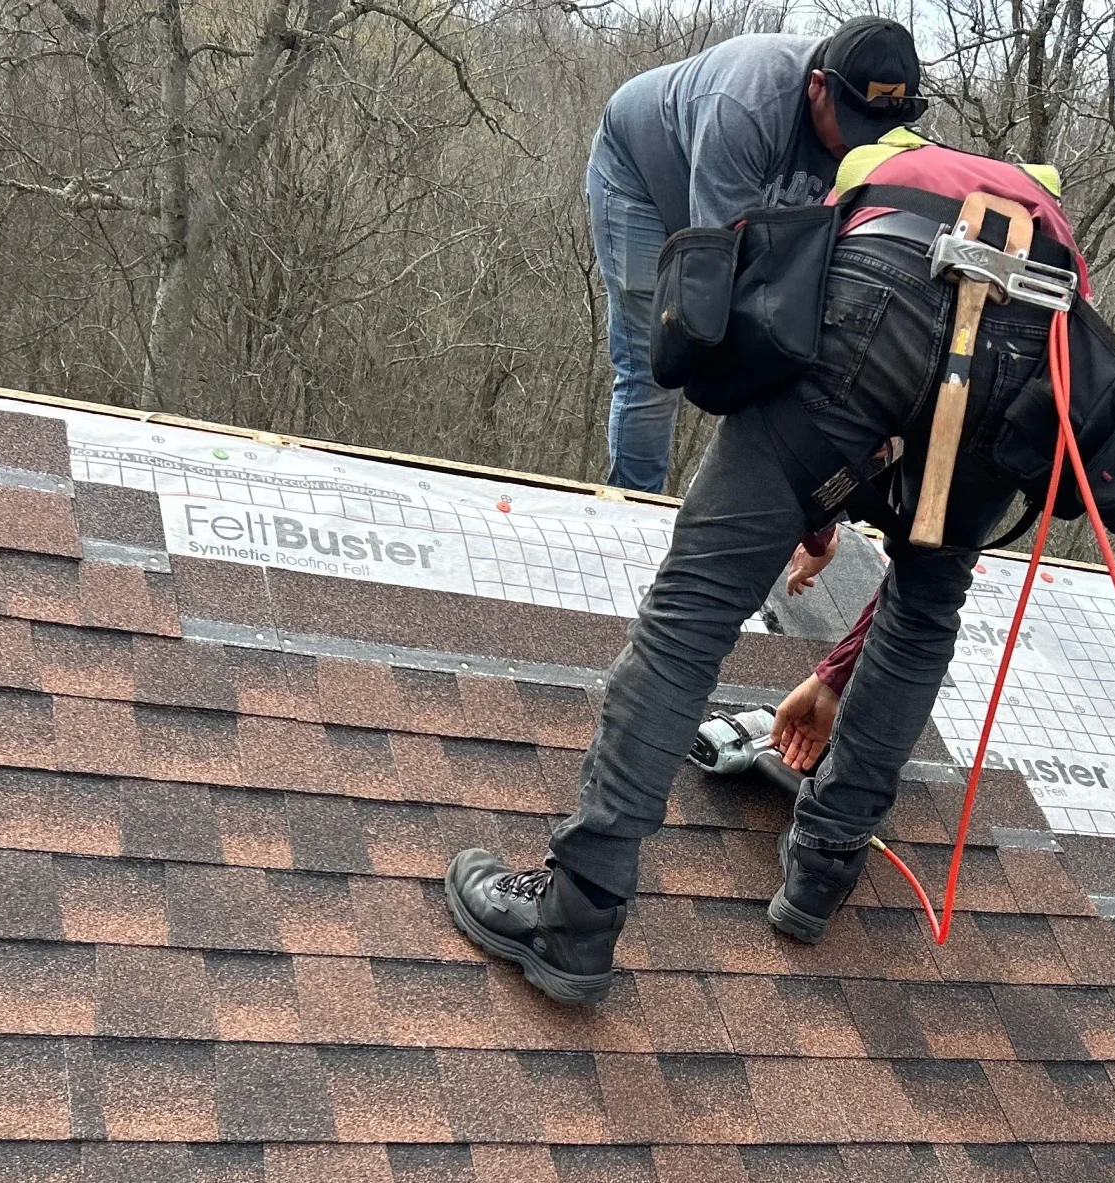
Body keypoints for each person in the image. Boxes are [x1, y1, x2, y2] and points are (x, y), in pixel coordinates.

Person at [445, 127, 1081, 1001]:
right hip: (1035, 331)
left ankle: (576, 912)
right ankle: (823, 867)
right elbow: (915, 496)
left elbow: (810, 361)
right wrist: (834, 662)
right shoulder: (1044, 209)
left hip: (883, 287)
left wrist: (806, 515)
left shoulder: (874, 171)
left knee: (694, 609)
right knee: (932, 595)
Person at [586, 18, 925, 492]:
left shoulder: (882, 149)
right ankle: (634, 504)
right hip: (639, 179)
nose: (859, 145)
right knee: (656, 358)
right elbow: (720, 269)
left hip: (729, 200)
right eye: (851, 126)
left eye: (877, 131)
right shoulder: (746, 103)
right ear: (817, 87)